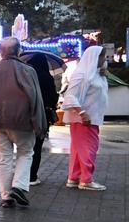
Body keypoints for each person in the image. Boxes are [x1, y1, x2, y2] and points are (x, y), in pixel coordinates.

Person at [0, 37, 46, 207]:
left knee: (3, 157)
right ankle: (19, 187)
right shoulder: (28, 71)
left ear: (0, 52)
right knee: (26, 152)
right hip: (22, 121)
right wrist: (39, 123)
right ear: (19, 51)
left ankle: (6, 196)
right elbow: (36, 98)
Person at [61, 46, 109, 190]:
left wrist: (103, 74)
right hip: (84, 118)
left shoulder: (94, 73)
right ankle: (86, 180)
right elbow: (70, 96)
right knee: (89, 148)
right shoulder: (81, 74)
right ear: (94, 57)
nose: (104, 60)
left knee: (78, 148)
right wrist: (82, 113)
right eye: (102, 57)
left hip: (89, 117)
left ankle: (74, 177)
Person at [27, 54, 59, 185]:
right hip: (43, 115)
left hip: (27, 114)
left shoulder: (28, 76)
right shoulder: (47, 77)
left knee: (25, 146)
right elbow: (53, 97)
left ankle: (22, 174)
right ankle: (32, 176)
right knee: (37, 146)